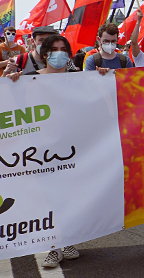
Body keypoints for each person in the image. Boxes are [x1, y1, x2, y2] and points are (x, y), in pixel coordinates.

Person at [3, 34, 110, 268]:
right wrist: (10, 82)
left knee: (69, 198)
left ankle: (67, 240)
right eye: (54, 49)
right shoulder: (28, 79)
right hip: (41, 152)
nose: (59, 53)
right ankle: (54, 247)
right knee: (49, 199)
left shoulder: (78, 79)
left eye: (63, 49)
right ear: (44, 54)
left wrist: (102, 80)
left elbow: (97, 105)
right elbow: (12, 107)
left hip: (72, 150)